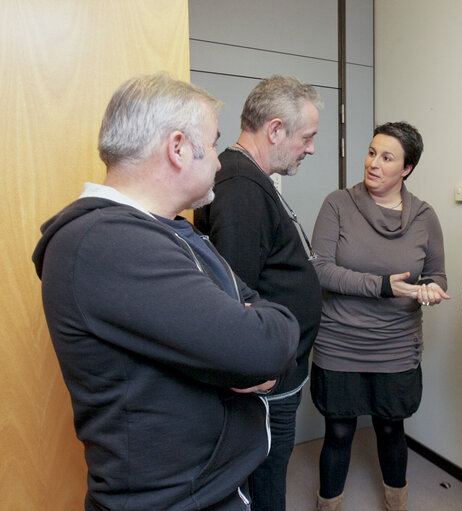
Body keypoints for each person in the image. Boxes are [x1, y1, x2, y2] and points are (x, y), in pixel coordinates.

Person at [31, 72, 299, 511]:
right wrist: (261, 333)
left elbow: (251, 304)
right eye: (212, 145)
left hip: (206, 489)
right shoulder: (107, 242)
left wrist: (256, 325)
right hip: (175, 501)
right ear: (177, 148)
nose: (217, 161)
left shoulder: (164, 231)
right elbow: (262, 346)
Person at [194, 75, 323, 511]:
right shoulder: (241, 188)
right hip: (266, 379)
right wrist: (253, 368)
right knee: (265, 477)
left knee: (270, 470)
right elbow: (232, 296)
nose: (310, 148)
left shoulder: (247, 178)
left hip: (277, 371)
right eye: (307, 137)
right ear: (274, 130)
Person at [310, 122, 449, 511]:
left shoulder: (425, 216)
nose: (373, 163)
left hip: (397, 344)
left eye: (387, 157)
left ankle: (396, 503)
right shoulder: (338, 203)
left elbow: (436, 276)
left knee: (390, 427)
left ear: (407, 169)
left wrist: (430, 291)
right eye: (372, 152)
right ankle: (328, 504)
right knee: (339, 430)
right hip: (340, 341)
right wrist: (382, 286)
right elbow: (320, 269)